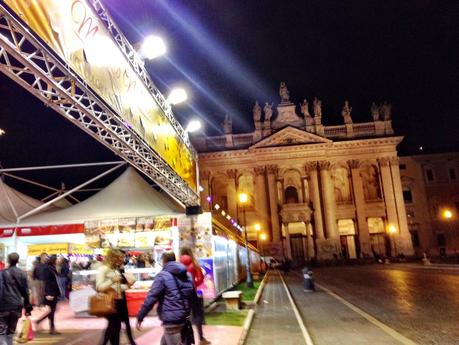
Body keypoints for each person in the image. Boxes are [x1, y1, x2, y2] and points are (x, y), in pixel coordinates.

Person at [136, 252, 195, 345]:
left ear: (164, 261)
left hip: (171, 319)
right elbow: (192, 295)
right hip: (184, 316)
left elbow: (151, 297)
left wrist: (140, 316)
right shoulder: (187, 275)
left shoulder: (162, 276)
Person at [96, 249, 135, 345]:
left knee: (115, 328)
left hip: (117, 301)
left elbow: (116, 288)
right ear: (113, 258)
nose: (122, 259)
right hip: (109, 301)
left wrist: (127, 286)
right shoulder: (103, 269)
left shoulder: (114, 269)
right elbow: (99, 287)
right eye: (120, 257)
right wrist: (112, 280)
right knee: (114, 326)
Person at [0, 253, 33, 345]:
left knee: (1, 331)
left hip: (3, 305)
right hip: (16, 305)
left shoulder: (2, 273)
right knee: (11, 331)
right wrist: (28, 307)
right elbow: (26, 292)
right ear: (18, 261)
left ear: (8, 261)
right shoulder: (22, 274)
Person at [180, 247, 210, 345]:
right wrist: (194, 284)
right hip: (192, 292)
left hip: (181, 293)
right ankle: (201, 339)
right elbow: (200, 278)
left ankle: (183, 340)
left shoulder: (178, 264)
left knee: (183, 316)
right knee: (197, 315)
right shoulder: (194, 263)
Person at [35, 255, 61, 335]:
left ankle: (43, 323)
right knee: (52, 310)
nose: (58, 261)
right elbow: (46, 282)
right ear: (54, 260)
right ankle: (51, 328)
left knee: (52, 310)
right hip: (50, 292)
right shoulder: (47, 268)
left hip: (53, 292)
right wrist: (48, 293)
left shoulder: (52, 267)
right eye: (57, 259)